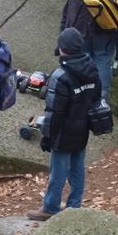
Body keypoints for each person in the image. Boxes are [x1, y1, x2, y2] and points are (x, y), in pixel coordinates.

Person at [26, 28, 101, 221]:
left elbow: (55, 112)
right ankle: (74, 206)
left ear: (62, 48)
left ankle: (50, 207)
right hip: (83, 128)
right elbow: (97, 97)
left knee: (58, 171)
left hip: (63, 132)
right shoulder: (92, 68)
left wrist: (47, 136)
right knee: (77, 168)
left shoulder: (60, 76)